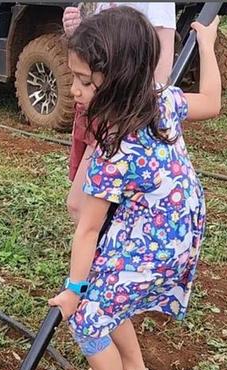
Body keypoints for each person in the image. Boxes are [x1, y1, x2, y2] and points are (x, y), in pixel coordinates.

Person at [49, 6, 221, 370]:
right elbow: (213, 103)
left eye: (86, 81)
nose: (76, 89)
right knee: (104, 286)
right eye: (74, 76)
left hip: (154, 239)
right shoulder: (160, 100)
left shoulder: (113, 149)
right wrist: (206, 44)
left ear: (121, 77)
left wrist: (73, 291)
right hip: (176, 227)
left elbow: (87, 228)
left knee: (88, 317)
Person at [63, 3, 177, 223]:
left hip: (121, 115)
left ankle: (98, 249)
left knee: (83, 206)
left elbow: (160, 69)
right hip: (101, 108)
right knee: (83, 203)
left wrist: (134, 116)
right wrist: (78, 32)